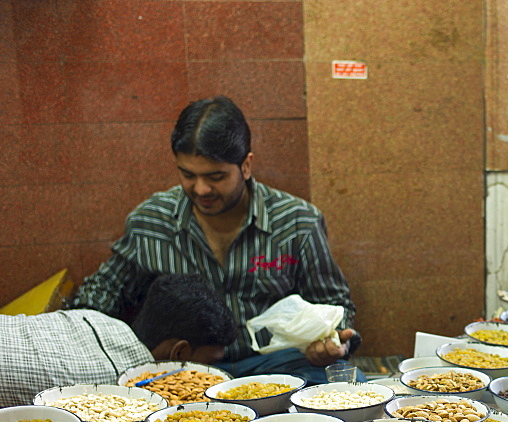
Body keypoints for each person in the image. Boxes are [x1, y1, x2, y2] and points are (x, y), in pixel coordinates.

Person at [71, 96, 358, 385]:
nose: (201, 189)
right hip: (182, 371)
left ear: (246, 166)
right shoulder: (152, 221)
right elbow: (105, 289)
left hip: (274, 364)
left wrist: (335, 341)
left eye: (216, 176)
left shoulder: (297, 222)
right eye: (187, 175)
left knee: (344, 383)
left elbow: (334, 303)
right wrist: (80, 331)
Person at [0, 274, 237, 407]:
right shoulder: (112, 392)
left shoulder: (96, 318)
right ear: (179, 354)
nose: (209, 375)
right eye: (209, 365)